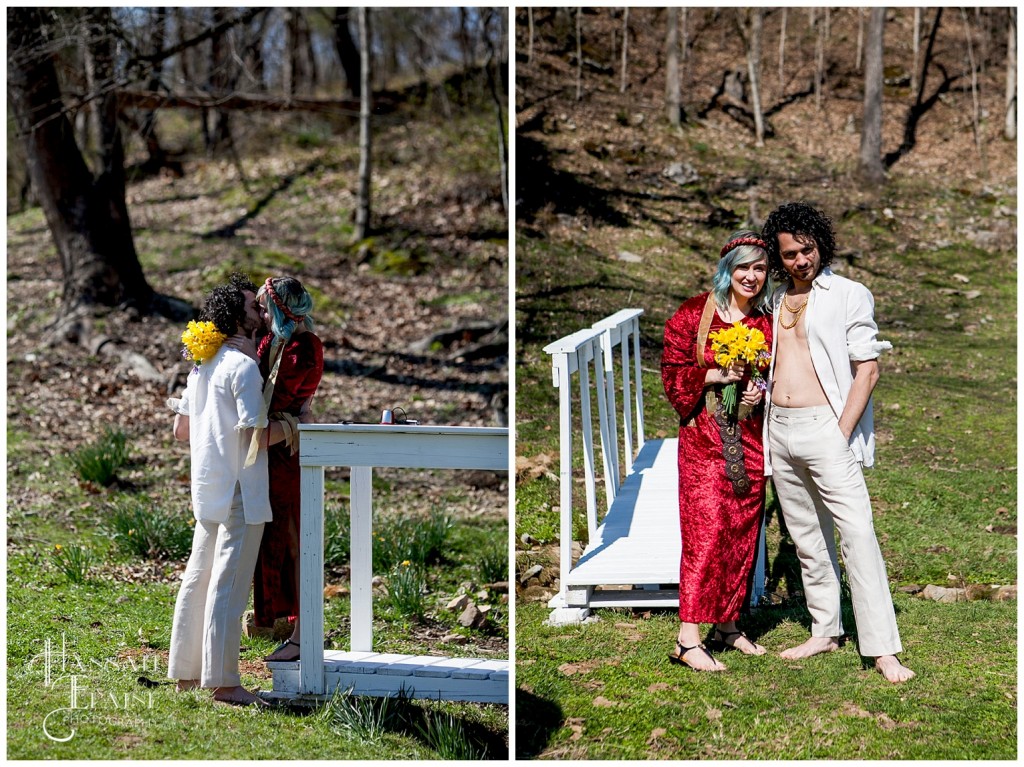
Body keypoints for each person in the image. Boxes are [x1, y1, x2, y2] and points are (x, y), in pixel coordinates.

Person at [760, 202, 914, 684]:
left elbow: (867, 369)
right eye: (789, 254)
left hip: (826, 427)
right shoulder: (774, 301)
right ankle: (825, 628)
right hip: (778, 429)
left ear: (821, 245)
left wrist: (841, 432)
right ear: (777, 257)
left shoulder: (849, 293)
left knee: (858, 534)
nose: (800, 260)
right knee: (806, 537)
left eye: (807, 250)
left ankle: (883, 648)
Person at [661, 231, 774, 672]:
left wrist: (754, 393)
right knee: (706, 532)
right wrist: (712, 376)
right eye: (744, 267)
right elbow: (672, 373)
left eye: (760, 268)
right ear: (728, 269)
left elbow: (775, 375)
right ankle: (688, 638)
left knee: (742, 529)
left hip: (749, 437)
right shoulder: (694, 313)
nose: (751, 276)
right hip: (704, 439)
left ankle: (727, 625)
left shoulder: (765, 321)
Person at [167, 274, 272, 706]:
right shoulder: (242, 367)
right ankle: (225, 683)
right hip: (239, 489)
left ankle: (186, 674)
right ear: (235, 316)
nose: (261, 314)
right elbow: (255, 434)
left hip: (206, 486)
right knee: (228, 585)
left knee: (198, 578)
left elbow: (181, 430)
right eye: (254, 307)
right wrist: (296, 427)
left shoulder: (201, 365)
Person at [252, 277, 323, 663]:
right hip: (269, 446)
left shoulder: (303, 347)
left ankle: (302, 634)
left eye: (265, 308)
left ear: (281, 309)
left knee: (294, 539)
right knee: (272, 535)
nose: (261, 315)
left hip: (286, 450)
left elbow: (276, 396)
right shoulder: (275, 340)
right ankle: (280, 622)